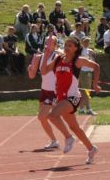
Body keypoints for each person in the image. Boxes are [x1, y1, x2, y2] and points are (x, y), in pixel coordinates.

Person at [42, 36, 101, 164]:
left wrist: (95, 85)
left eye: (70, 45)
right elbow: (45, 71)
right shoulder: (58, 59)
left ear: (76, 48)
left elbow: (96, 67)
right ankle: (91, 149)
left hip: (73, 97)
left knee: (52, 116)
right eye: (66, 45)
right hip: (61, 98)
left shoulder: (78, 61)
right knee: (74, 127)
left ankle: (68, 138)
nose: (67, 47)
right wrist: (47, 54)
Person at [28, 35, 62, 150]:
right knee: (44, 118)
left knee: (42, 116)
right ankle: (54, 140)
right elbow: (31, 76)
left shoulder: (57, 56)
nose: (47, 44)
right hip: (44, 90)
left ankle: (68, 136)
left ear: (55, 45)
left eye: (50, 42)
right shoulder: (39, 57)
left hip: (53, 91)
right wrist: (31, 69)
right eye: (46, 41)